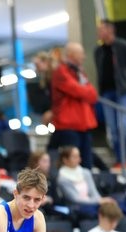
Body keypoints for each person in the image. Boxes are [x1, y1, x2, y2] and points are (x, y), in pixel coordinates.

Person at [94, 19, 126, 170]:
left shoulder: (123, 46)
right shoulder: (98, 51)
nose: (99, 32)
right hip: (106, 93)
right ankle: (120, 159)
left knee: (123, 125)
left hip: (122, 91)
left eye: (101, 29)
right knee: (112, 129)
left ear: (110, 30)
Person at [49, 42, 98, 170]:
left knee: (86, 164)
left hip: (84, 125)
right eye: (81, 53)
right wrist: (84, 91)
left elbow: (93, 95)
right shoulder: (61, 71)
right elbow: (77, 90)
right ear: (72, 55)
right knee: (71, 165)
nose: (84, 56)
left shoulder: (80, 72)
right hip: (68, 125)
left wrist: (84, 91)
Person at [56, 145, 112, 218]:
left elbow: (94, 192)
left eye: (78, 156)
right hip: (76, 209)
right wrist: (98, 201)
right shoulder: (62, 178)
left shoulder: (86, 172)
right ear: (65, 160)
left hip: (93, 205)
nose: (78, 160)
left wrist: (101, 201)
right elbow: (75, 199)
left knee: (111, 208)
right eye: (74, 157)